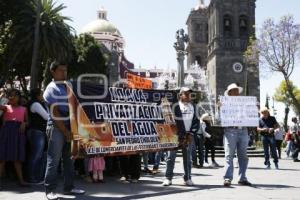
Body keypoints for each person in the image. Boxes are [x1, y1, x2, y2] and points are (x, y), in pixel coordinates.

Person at [43, 61, 85, 200]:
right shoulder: (51, 88)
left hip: (70, 126)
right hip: (57, 127)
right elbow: (55, 112)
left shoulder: (68, 86)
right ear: (53, 72)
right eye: (61, 70)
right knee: (53, 160)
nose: (64, 73)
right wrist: (66, 132)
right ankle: (50, 190)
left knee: (69, 159)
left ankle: (69, 187)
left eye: (65, 70)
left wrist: (73, 129)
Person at [162, 87, 199, 186]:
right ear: (180, 95)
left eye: (189, 94)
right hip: (175, 135)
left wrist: (191, 133)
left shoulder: (193, 106)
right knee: (170, 157)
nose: (188, 96)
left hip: (188, 135)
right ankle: (168, 178)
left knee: (188, 158)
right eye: (185, 94)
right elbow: (168, 119)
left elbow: (196, 121)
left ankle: (187, 178)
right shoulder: (174, 106)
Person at [221, 83, 252, 187]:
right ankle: (227, 178)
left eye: (237, 91)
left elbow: (250, 115)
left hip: (243, 130)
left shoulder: (244, 103)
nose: (237, 92)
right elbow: (218, 118)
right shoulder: (224, 103)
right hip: (230, 130)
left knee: (243, 156)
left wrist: (254, 108)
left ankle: (242, 178)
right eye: (234, 90)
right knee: (229, 155)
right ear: (229, 93)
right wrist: (219, 108)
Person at [0, 89, 28, 188]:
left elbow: (28, 121)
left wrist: (24, 123)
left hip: (18, 134)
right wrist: (2, 97)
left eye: (14, 95)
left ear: (19, 97)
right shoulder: (5, 107)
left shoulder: (24, 109)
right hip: (6, 133)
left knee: (17, 159)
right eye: (10, 95)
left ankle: (21, 180)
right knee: (2, 158)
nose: (12, 97)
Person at [27, 88, 49, 184]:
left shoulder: (39, 103)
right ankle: (31, 177)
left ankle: (37, 177)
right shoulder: (35, 104)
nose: (43, 96)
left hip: (38, 131)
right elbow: (47, 116)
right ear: (37, 95)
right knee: (36, 155)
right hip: (37, 131)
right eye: (41, 94)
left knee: (38, 155)